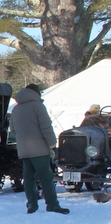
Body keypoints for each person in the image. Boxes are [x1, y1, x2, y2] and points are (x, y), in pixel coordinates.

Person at [9, 83, 69, 214]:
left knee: (28, 178)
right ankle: (52, 204)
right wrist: (52, 144)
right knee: (46, 177)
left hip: (23, 150)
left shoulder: (16, 109)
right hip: (39, 149)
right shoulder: (38, 106)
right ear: (36, 93)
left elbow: (12, 129)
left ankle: (31, 205)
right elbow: (46, 127)